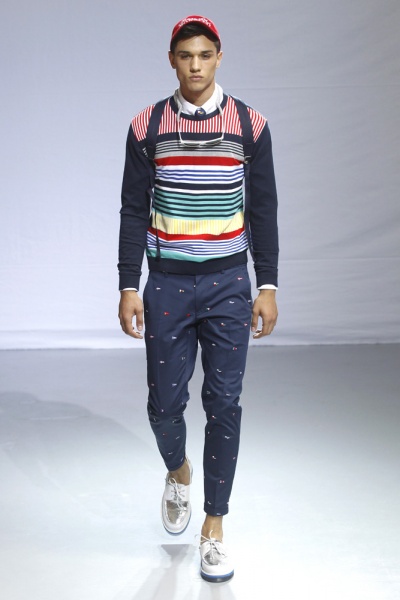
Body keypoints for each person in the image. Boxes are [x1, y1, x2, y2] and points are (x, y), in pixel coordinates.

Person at [118, 15, 278, 583]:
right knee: (164, 405)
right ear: (172, 59)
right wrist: (128, 284)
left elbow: (263, 209)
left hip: (229, 282)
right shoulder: (146, 127)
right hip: (166, 282)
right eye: (185, 55)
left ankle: (214, 526)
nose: (195, 65)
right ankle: (179, 470)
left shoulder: (250, 126)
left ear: (219, 57)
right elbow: (133, 208)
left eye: (204, 55)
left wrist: (267, 285)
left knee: (224, 404)